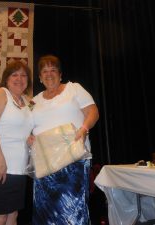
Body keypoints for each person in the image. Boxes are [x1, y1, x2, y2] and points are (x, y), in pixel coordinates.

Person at [30, 55, 99, 225]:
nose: (49, 74)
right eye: (44, 71)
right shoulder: (33, 101)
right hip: (44, 164)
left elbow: (93, 112)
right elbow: (25, 123)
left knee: (72, 212)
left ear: (60, 74)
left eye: (53, 70)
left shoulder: (74, 89)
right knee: (45, 212)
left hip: (73, 161)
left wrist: (84, 129)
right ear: (39, 78)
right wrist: (28, 135)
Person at [0, 61, 33, 225]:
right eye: (14, 74)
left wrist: (31, 138)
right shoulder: (0, 93)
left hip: (19, 168)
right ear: (6, 79)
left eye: (24, 75)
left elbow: (32, 127)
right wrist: (0, 161)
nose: (19, 78)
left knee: (13, 215)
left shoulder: (29, 101)